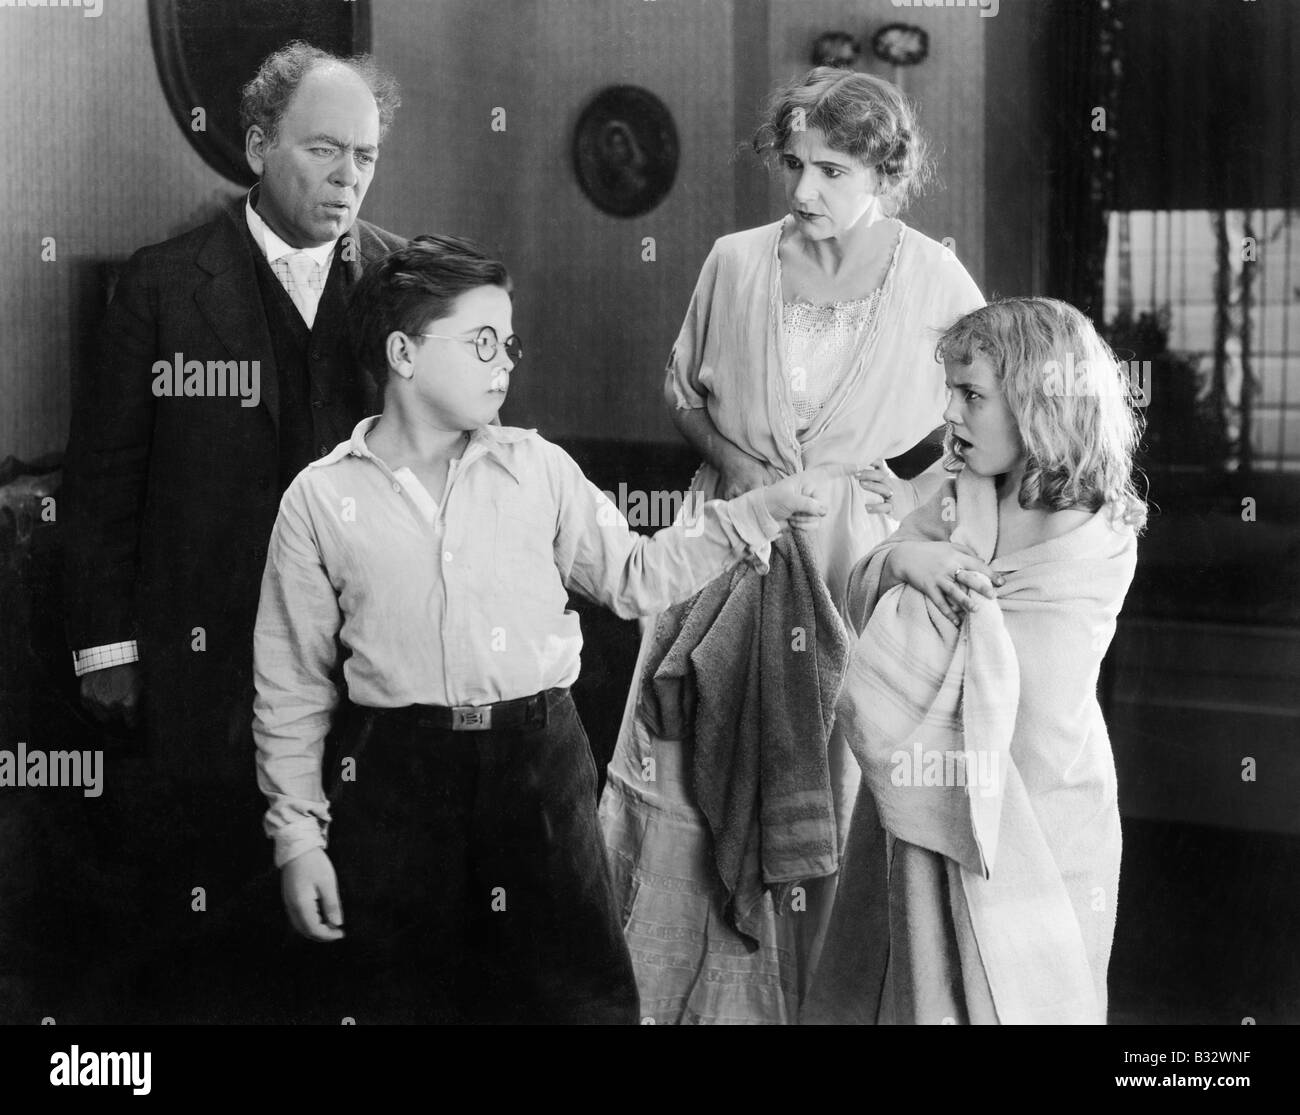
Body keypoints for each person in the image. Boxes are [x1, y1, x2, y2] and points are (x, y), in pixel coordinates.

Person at [252, 235, 851, 1024]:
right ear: (402, 352)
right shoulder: (319, 500)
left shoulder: (538, 469)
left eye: (511, 342)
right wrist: (298, 840)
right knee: (401, 999)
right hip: (394, 775)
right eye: (482, 342)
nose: (506, 360)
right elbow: (290, 684)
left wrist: (756, 515)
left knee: (579, 1004)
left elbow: (636, 576)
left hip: (539, 764)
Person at [598, 67, 984, 1023]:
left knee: (830, 807)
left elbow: (998, 399)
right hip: (722, 544)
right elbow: (682, 389)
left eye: (835, 171)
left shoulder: (934, 277)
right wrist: (737, 466)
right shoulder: (735, 259)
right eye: (797, 164)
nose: (805, 190)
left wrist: (919, 489)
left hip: (852, 566)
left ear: (886, 175)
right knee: (685, 778)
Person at [59, 41, 404, 1020]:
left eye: (366, 156)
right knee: (205, 931)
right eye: (322, 151)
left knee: (345, 923)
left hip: (361, 666)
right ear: (257, 146)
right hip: (203, 659)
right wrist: (108, 651)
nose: (348, 179)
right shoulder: (164, 285)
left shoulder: (403, 283)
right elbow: (103, 484)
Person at [805, 298, 1145, 1024]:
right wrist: (910, 557)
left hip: (1049, 808)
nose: (951, 415)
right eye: (949, 392)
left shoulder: (1097, 537)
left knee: (1031, 995)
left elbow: (1037, 682)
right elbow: (864, 581)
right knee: (921, 991)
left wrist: (962, 605)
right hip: (930, 803)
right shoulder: (960, 500)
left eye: (971, 394)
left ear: (1038, 401)